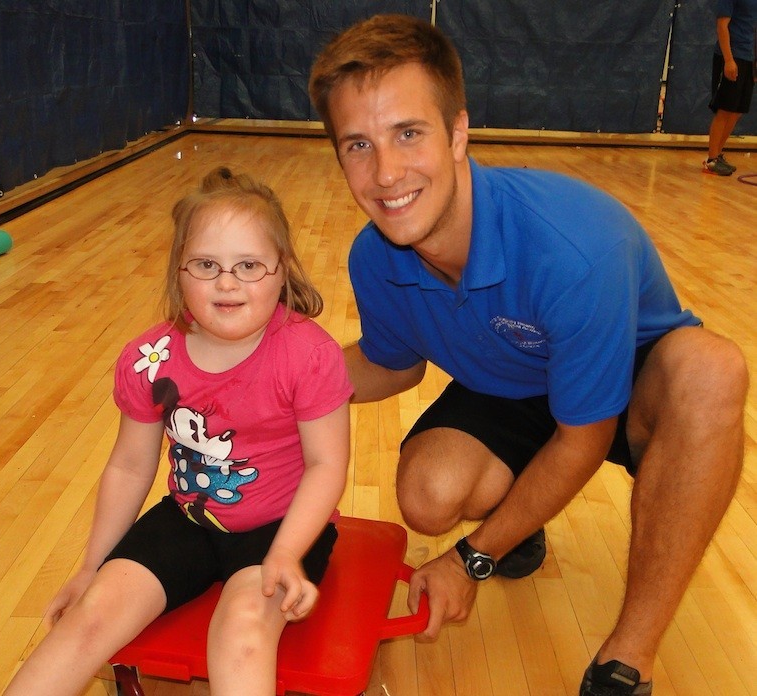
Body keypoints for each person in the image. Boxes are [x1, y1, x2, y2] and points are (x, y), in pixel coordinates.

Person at [309, 14, 748, 696]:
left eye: (409, 133)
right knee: (427, 495)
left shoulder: (573, 249)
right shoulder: (376, 254)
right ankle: (522, 523)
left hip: (632, 386)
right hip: (517, 380)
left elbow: (585, 435)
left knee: (713, 370)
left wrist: (472, 559)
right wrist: (279, 383)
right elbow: (394, 360)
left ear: (458, 132)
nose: (385, 172)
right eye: (357, 144)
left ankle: (629, 654)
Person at [2, 167, 352, 696]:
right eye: (206, 265)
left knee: (242, 634)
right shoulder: (150, 360)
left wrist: (285, 553)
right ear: (178, 273)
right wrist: (92, 567)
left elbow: (327, 465)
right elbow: (129, 464)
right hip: (188, 518)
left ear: (282, 272)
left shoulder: (309, 355)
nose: (227, 282)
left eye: (249, 265)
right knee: (91, 615)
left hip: (281, 529)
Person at [704, 0, 757, 175]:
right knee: (725, 109)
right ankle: (711, 160)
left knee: (737, 110)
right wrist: (728, 60)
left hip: (747, 57)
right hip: (731, 55)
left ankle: (718, 154)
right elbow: (722, 26)